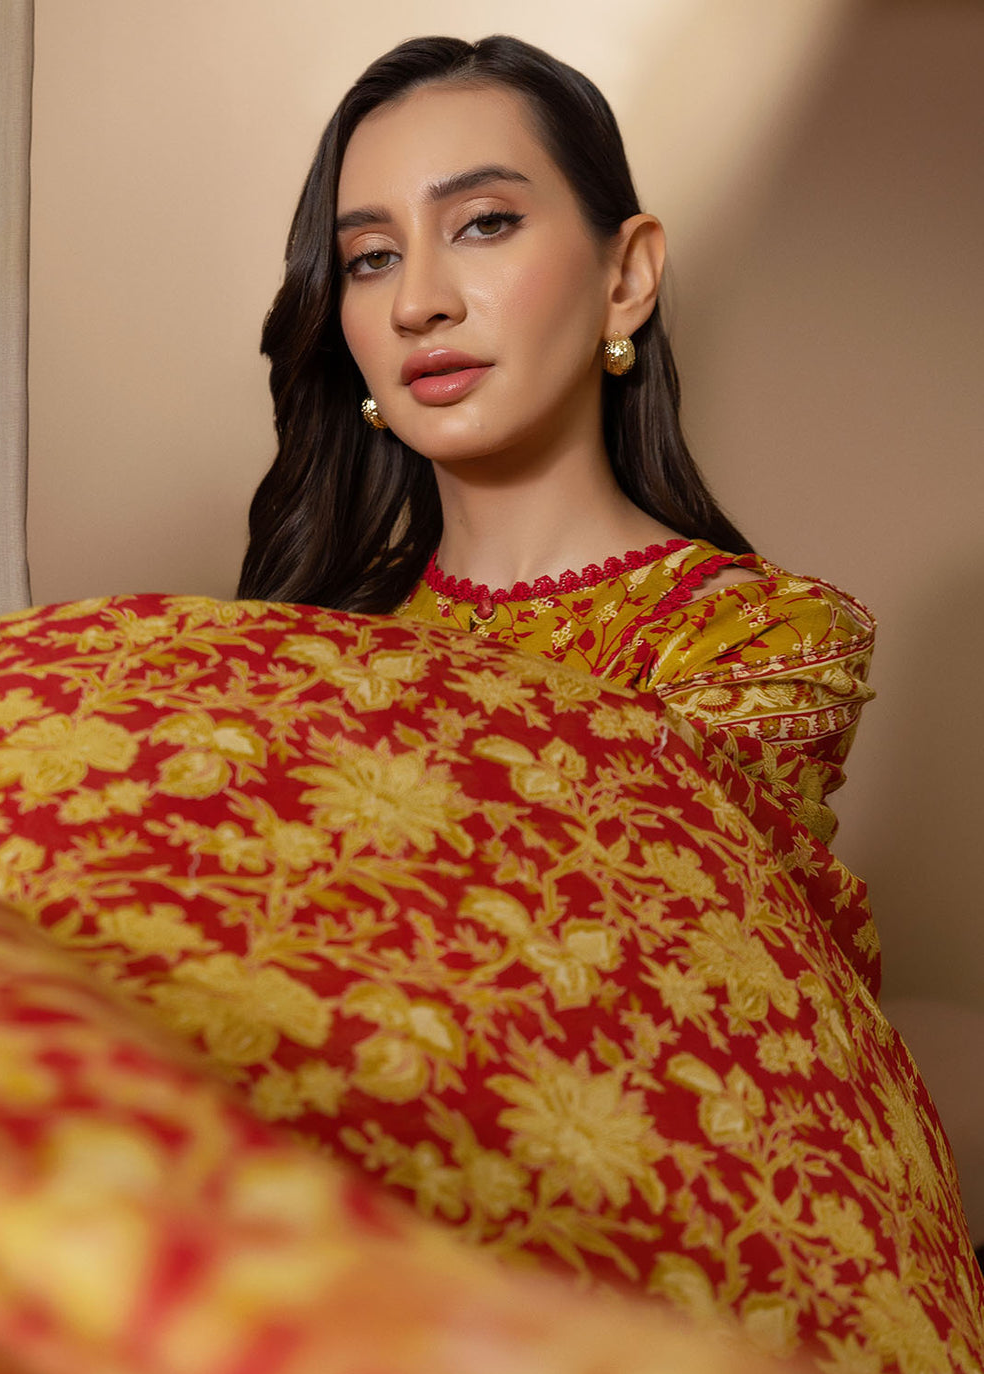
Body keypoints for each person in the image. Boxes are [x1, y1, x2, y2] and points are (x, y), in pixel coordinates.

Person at [238, 33, 874, 846]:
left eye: (484, 223)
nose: (416, 303)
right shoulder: (307, 639)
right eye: (372, 258)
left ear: (627, 276)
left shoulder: (754, 643)